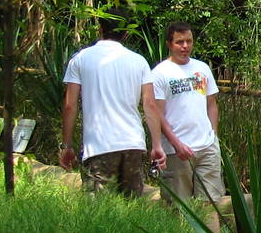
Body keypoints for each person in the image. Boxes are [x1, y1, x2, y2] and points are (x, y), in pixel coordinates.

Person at [59, 14, 166, 196]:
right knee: (131, 208)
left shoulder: (80, 59)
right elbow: (149, 104)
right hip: (133, 143)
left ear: (100, 29)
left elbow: (70, 105)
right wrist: (156, 145)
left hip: (99, 146)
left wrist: (66, 145)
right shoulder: (139, 61)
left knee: (97, 213)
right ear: (125, 34)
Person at [147, 22, 223, 203]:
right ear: (169, 44)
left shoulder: (202, 68)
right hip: (176, 150)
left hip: (207, 147)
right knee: (179, 206)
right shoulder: (159, 73)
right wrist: (176, 143)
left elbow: (211, 104)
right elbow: (157, 113)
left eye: (189, 41)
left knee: (210, 204)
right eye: (180, 42)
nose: (185, 46)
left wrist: (213, 135)